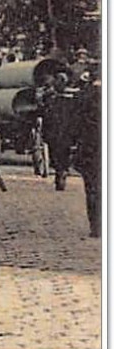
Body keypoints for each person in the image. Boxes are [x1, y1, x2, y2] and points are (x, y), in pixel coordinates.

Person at [73, 63, 101, 238]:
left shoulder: (85, 95)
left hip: (90, 148)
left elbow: (76, 123)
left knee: (92, 188)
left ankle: (96, 226)